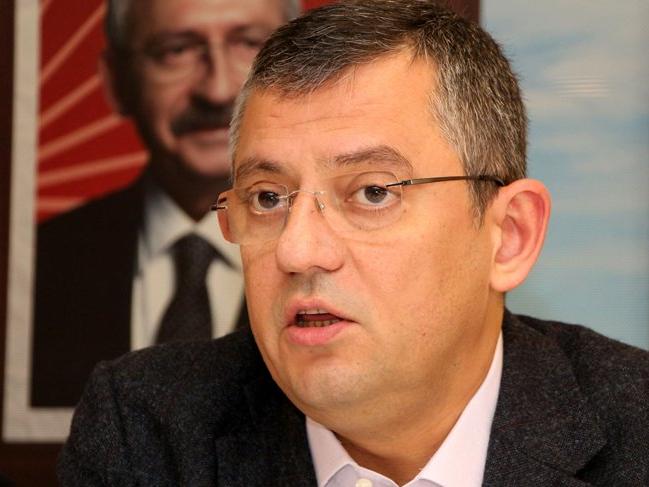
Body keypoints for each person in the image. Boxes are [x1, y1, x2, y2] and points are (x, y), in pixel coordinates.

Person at [59, 1, 649, 485]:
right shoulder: (148, 434)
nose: (297, 251)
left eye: (371, 192)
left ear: (509, 237)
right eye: (268, 198)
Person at [30, 0, 300, 408]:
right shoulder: (39, 264)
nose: (217, 91)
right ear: (117, 82)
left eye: (249, 44)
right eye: (176, 50)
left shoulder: (349, 256)